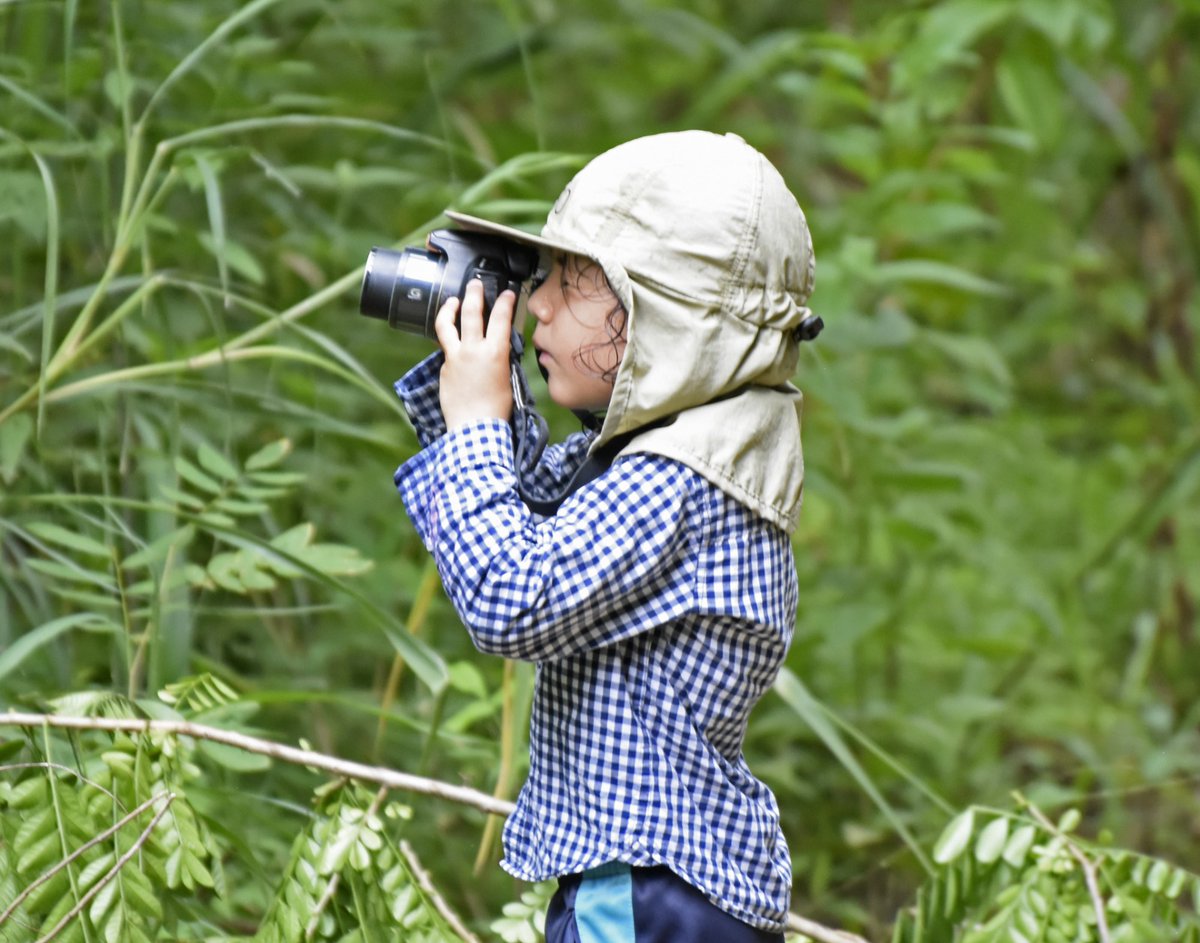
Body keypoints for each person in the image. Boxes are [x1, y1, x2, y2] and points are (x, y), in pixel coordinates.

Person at [392, 129, 817, 941]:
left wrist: (477, 421)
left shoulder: (672, 481)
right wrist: (490, 384)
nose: (541, 303)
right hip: (672, 887)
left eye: (573, 282)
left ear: (672, 323)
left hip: (644, 887)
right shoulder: (685, 455)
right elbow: (530, 510)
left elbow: (511, 596)